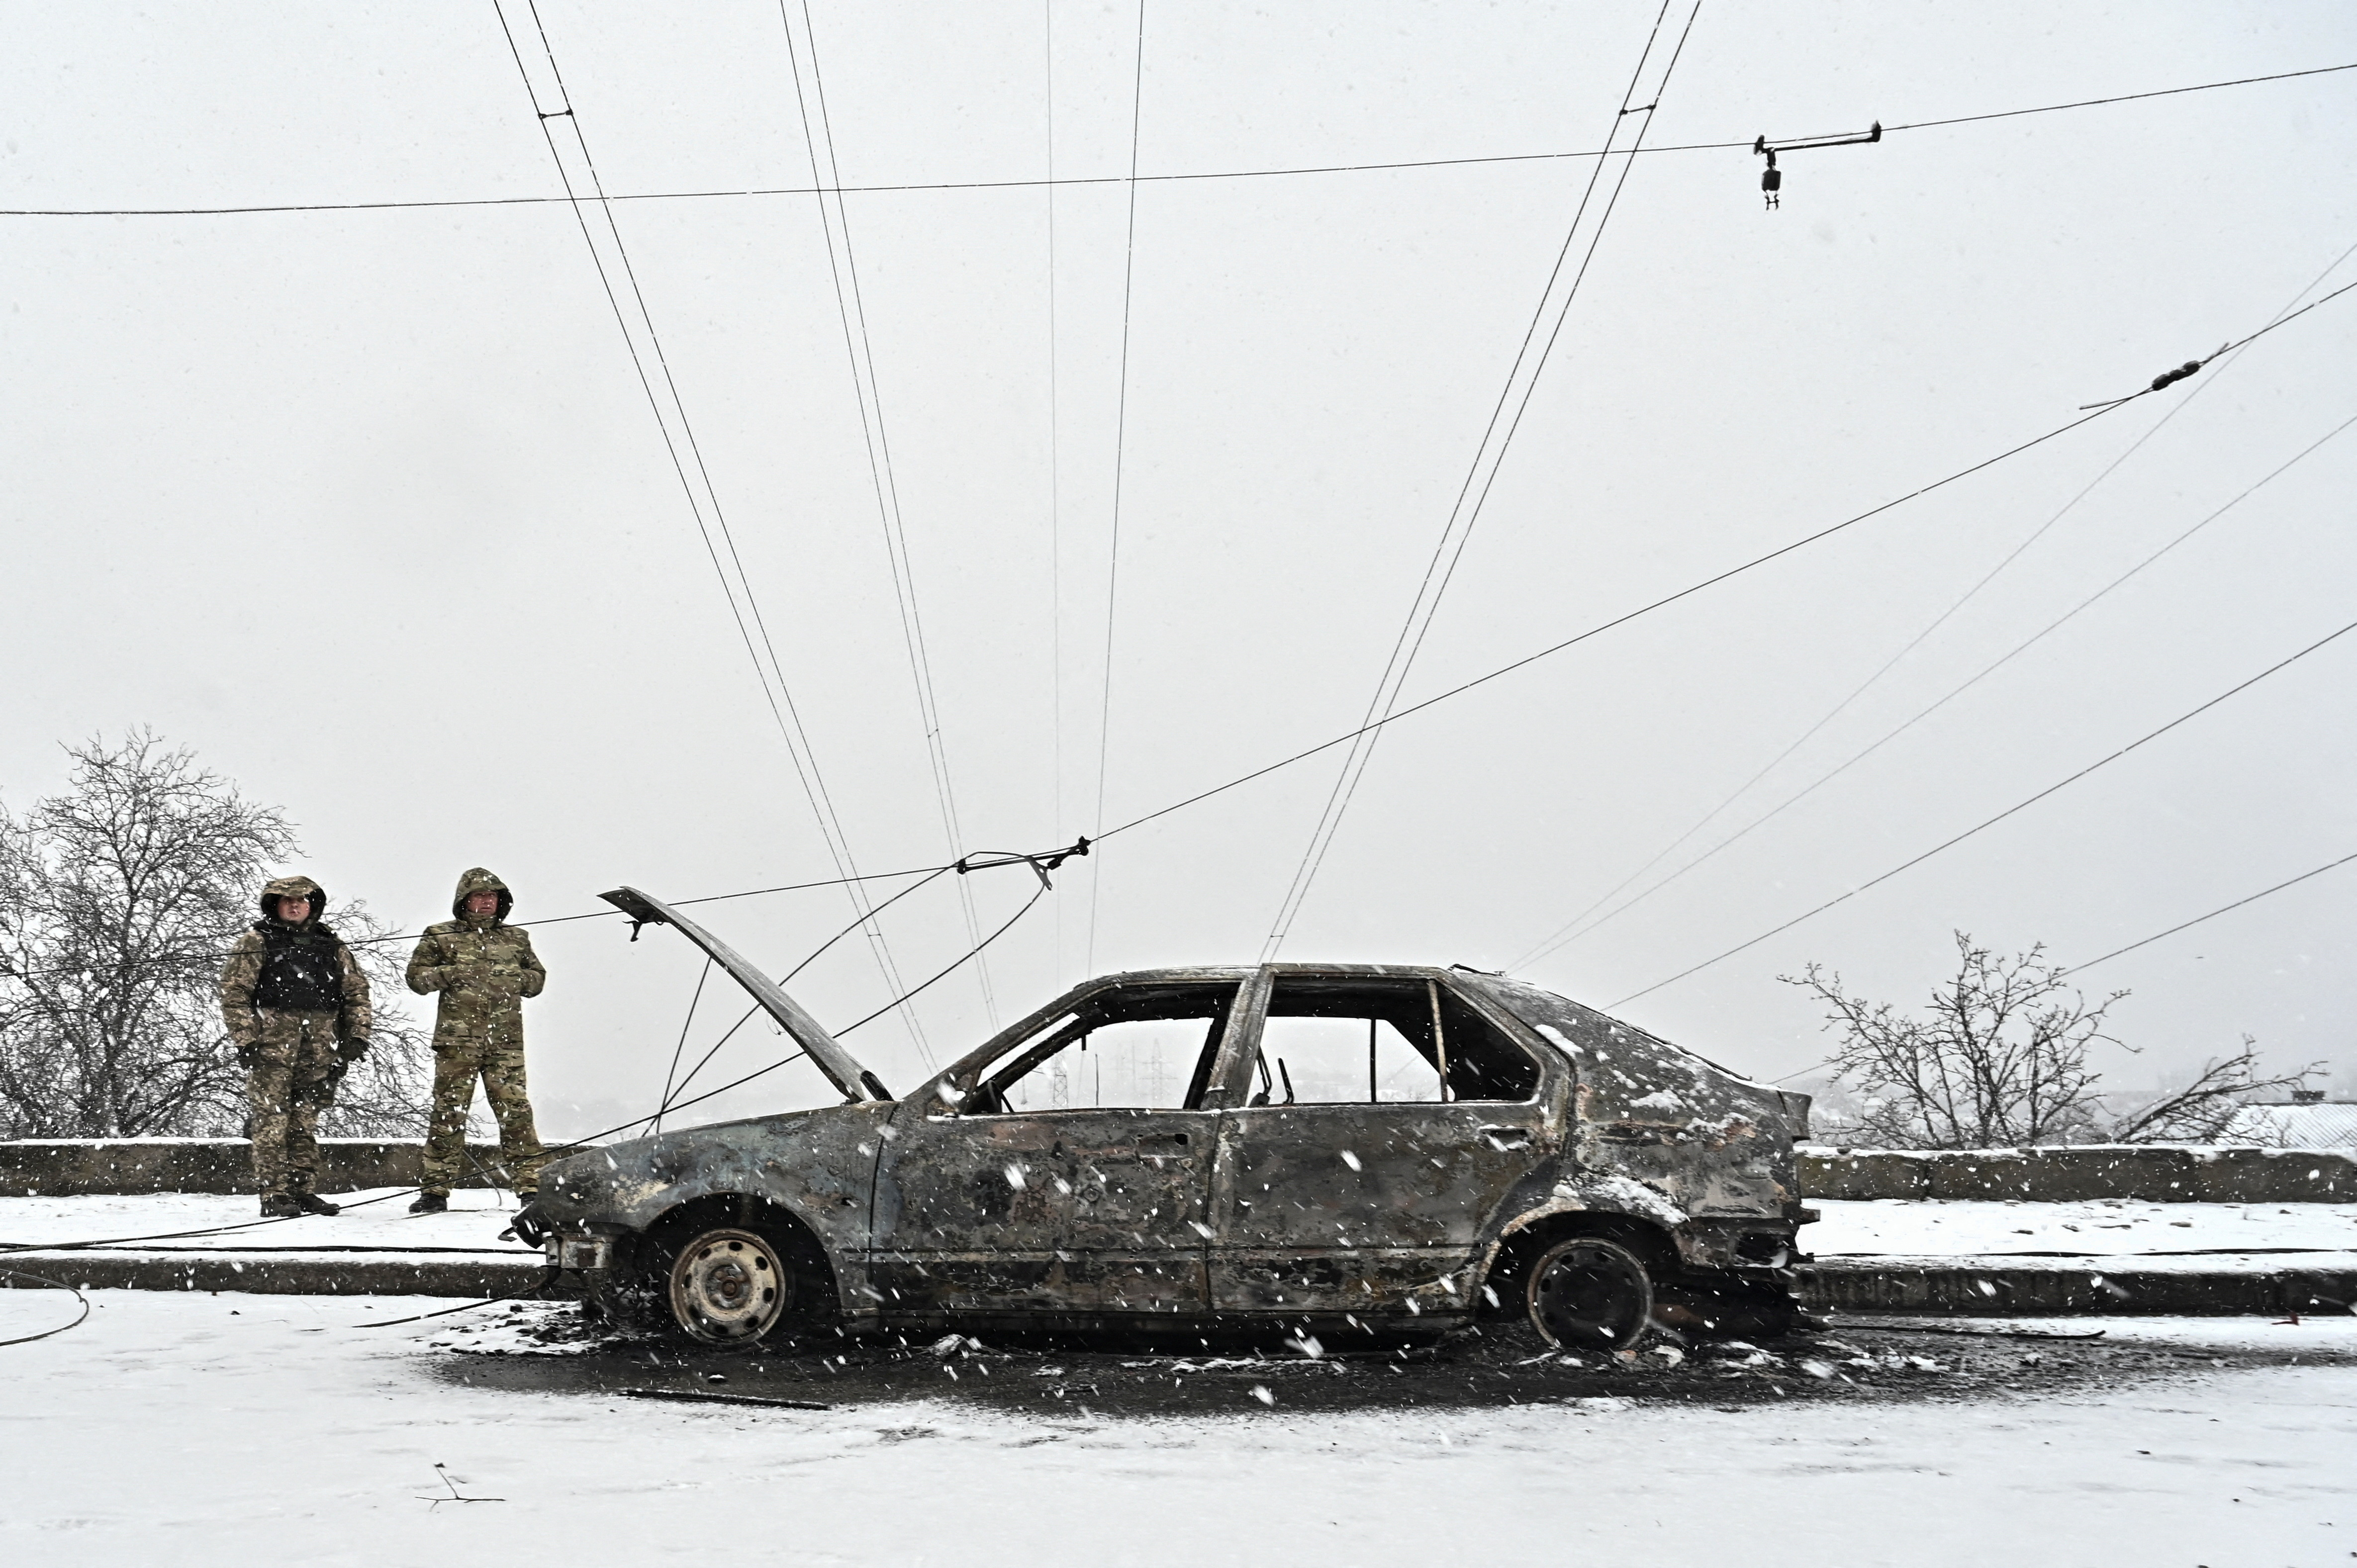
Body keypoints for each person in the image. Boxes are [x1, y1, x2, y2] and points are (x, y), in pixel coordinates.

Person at [219, 875, 372, 1217]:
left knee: (305, 1122)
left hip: (319, 1049)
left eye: (300, 899)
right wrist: (245, 1040)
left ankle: (303, 1190)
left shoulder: (332, 945)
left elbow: (357, 994)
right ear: (274, 904)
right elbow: (234, 994)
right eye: (285, 900)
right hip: (271, 1048)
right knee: (272, 1122)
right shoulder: (256, 941)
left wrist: (356, 1038)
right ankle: (274, 1193)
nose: (293, 905)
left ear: (311, 903)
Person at [405, 868, 547, 1214]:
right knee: (448, 1113)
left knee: (516, 1113)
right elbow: (416, 978)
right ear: (464, 900)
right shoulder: (440, 935)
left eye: (493, 896)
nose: (486, 901)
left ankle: (531, 1188)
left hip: (504, 1043)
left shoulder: (516, 938)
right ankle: (435, 1191)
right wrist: (450, 973)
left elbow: (537, 978)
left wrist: (516, 979)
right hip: (457, 1042)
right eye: (479, 895)